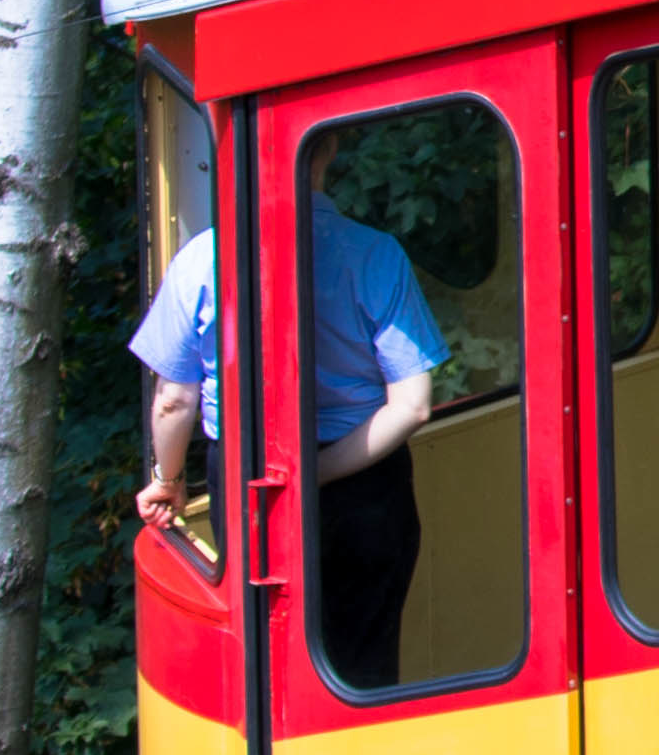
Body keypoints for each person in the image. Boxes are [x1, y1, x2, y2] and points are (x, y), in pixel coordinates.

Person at [132, 205, 449, 678]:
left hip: (250, 477)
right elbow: (413, 405)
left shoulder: (202, 258)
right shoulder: (374, 253)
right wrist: (315, 473)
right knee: (365, 661)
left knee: (268, 650)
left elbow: (174, 401)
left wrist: (169, 479)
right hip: (367, 478)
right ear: (332, 146)